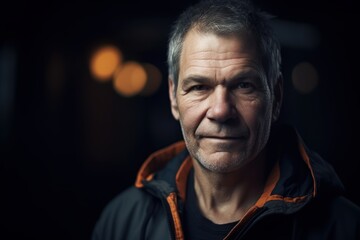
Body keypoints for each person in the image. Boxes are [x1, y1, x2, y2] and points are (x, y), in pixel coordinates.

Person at [92, 0, 360, 239]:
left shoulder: (343, 227)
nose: (220, 111)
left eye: (243, 85)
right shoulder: (121, 221)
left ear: (276, 97)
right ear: (174, 99)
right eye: (199, 87)